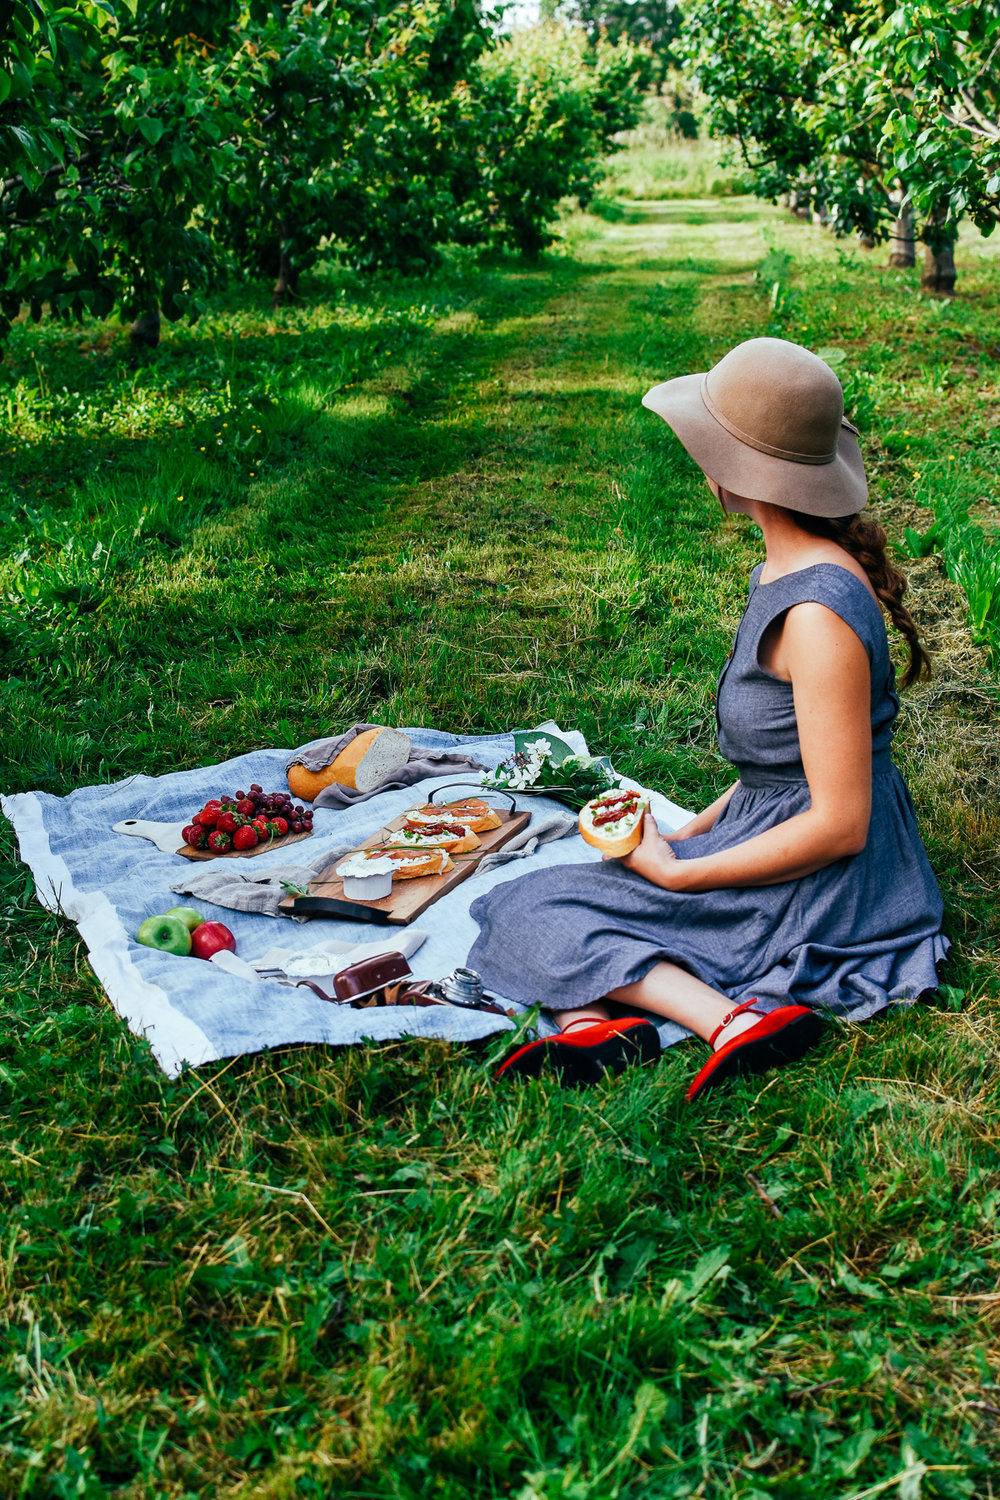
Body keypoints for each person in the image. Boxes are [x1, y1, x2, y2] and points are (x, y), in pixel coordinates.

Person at [467, 337, 949, 1099]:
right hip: (780, 834)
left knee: (542, 904)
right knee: (527, 898)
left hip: (833, 887)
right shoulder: (784, 568)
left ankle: (730, 1022)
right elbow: (780, 767)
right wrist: (690, 833)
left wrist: (679, 877)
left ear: (735, 474)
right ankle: (596, 1026)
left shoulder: (816, 615)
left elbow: (840, 823)